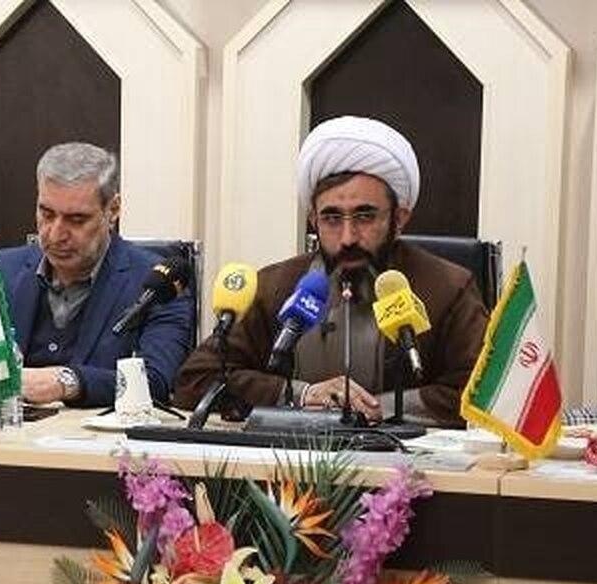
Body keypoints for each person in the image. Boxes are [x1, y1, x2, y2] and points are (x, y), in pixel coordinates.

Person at [174, 116, 488, 425]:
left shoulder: (449, 288)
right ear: (313, 220)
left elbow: (487, 395)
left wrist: (376, 409)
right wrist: (302, 395)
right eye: (332, 218)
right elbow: (196, 380)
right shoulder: (276, 286)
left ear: (399, 219)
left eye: (365, 216)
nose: (348, 237)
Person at [0, 142, 194, 407]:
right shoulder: (0, 271)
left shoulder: (158, 284)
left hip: (97, 443)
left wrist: (66, 382)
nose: (55, 234)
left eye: (76, 220)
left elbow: (156, 383)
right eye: (46, 214)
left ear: (113, 209)